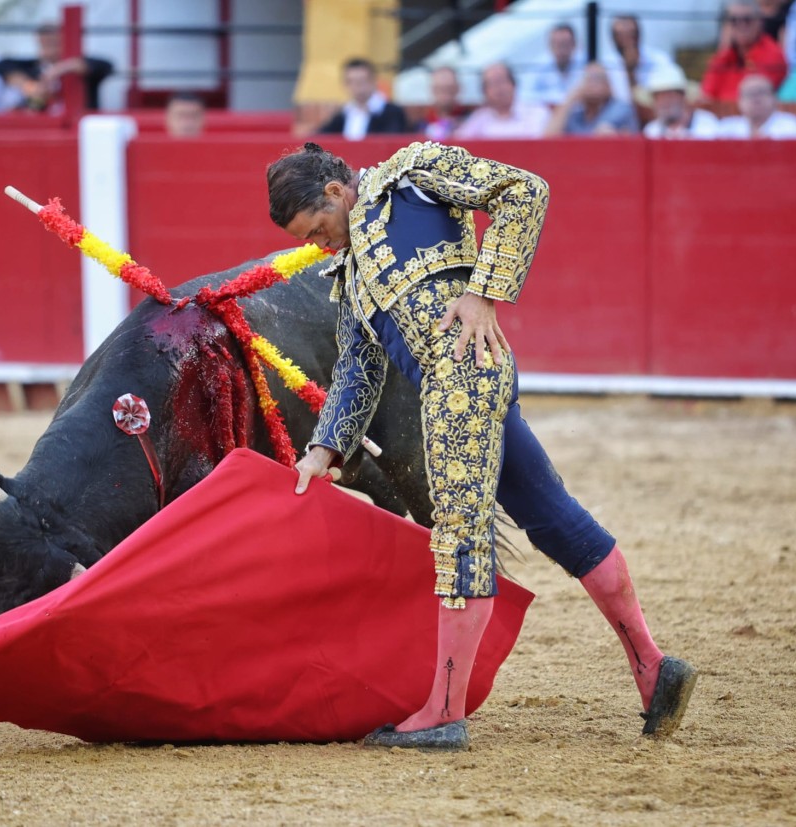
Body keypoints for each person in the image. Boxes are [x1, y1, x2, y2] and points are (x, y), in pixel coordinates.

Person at [265, 140, 698, 750]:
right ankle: (654, 669)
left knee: (460, 537)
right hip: (463, 383)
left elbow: (526, 190)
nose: (318, 245)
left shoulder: (413, 176)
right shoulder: (354, 273)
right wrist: (323, 450)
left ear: (336, 192)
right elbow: (358, 368)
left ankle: (444, 711)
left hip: (461, 382)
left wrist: (482, 292)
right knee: (554, 518)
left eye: (317, 228)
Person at [0, 23, 113, 113]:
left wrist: (59, 70)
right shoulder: (33, 67)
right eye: (44, 44)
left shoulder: (82, 68)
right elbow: (1, 66)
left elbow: (105, 66)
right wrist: (29, 87)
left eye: (54, 43)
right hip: (43, 128)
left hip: (78, 128)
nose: (49, 48)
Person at [701, 1, 789, 102]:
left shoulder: (773, 54)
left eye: (747, 20)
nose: (741, 25)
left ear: (760, 22)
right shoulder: (723, 57)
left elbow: (755, 99)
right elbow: (706, 96)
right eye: (734, 20)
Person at [318, 57, 409, 139]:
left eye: (362, 81)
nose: (358, 87)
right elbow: (321, 139)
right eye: (352, 82)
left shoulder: (392, 112)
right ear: (345, 84)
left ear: (374, 81)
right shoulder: (341, 114)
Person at [453, 63, 549, 139]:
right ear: (484, 92)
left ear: (513, 84)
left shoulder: (537, 112)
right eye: (492, 84)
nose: (498, 89)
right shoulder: (479, 118)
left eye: (502, 81)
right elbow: (459, 144)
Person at [544, 62, 639, 136]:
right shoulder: (576, 115)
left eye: (598, 78)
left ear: (609, 86)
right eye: (588, 79)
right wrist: (570, 98)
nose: (593, 84)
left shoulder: (621, 108)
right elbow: (549, 137)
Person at [608, 14, 678, 101]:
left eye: (631, 34)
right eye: (620, 35)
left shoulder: (659, 60)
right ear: (612, 38)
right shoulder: (606, 65)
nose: (627, 40)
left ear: (639, 35)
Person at [642, 63, 720, 138]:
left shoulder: (707, 124)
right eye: (659, 98)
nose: (664, 103)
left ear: (683, 97)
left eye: (669, 96)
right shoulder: (652, 131)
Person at [718, 72, 796, 136]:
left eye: (761, 93)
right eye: (750, 94)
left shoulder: (789, 124)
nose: (756, 99)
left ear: (774, 98)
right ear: (739, 101)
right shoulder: (727, 127)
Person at [521, 23, 587, 107]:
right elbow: (526, 96)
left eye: (564, 44)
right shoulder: (539, 67)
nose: (561, 49)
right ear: (549, 46)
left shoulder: (586, 64)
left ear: (574, 45)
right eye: (556, 44)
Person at [417, 66, 471, 141]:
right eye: (440, 89)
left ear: (457, 88)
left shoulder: (470, 120)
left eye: (449, 89)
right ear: (432, 90)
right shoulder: (421, 124)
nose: (444, 95)